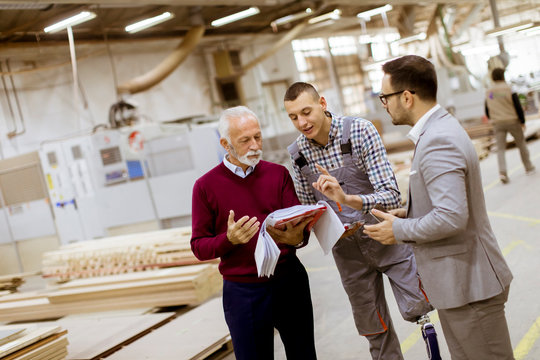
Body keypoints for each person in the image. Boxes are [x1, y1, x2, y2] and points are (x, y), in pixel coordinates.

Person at [364, 55, 514, 360]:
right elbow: (452, 205)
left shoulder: (437, 140)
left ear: (406, 97)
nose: (384, 104)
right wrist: (410, 213)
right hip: (460, 285)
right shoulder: (437, 130)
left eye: (385, 97)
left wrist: (399, 230)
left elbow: (452, 217)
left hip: (470, 285)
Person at [284, 82, 433, 360]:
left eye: (306, 112)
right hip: (348, 253)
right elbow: (308, 209)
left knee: (422, 309)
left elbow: (390, 196)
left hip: (387, 237)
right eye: (293, 117)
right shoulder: (298, 155)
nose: (301, 122)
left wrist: (347, 198)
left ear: (323, 104)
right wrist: (295, 228)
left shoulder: (360, 132)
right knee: (374, 330)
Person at [191, 106, 317, 360]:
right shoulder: (205, 187)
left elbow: (298, 227)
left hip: (288, 281)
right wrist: (229, 240)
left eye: (257, 137)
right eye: (245, 140)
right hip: (244, 292)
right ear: (226, 144)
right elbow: (199, 246)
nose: (254, 146)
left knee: (304, 354)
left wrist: (299, 238)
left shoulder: (277, 174)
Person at [485, 67, 535, 183]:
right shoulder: (509, 89)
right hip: (512, 121)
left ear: (493, 77)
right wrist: (522, 121)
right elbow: (517, 106)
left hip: (498, 123)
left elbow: (487, 108)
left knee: (501, 149)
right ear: (503, 76)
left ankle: (502, 173)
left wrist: (493, 118)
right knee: (521, 144)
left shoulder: (490, 92)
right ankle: (528, 167)